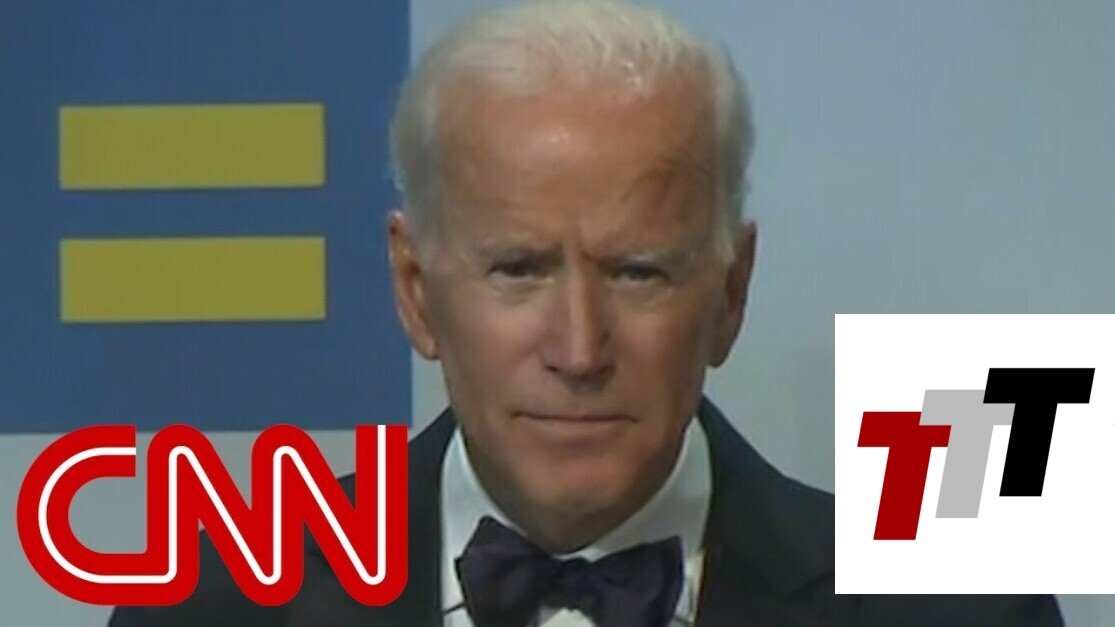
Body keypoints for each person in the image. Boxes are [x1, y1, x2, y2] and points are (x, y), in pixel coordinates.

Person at [109, 1, 1064, 625]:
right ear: (415, 289)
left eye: (639, 272)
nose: (578, 348)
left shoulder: (962, 608)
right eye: (518, 270)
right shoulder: (208, 606)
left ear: (729, 291)